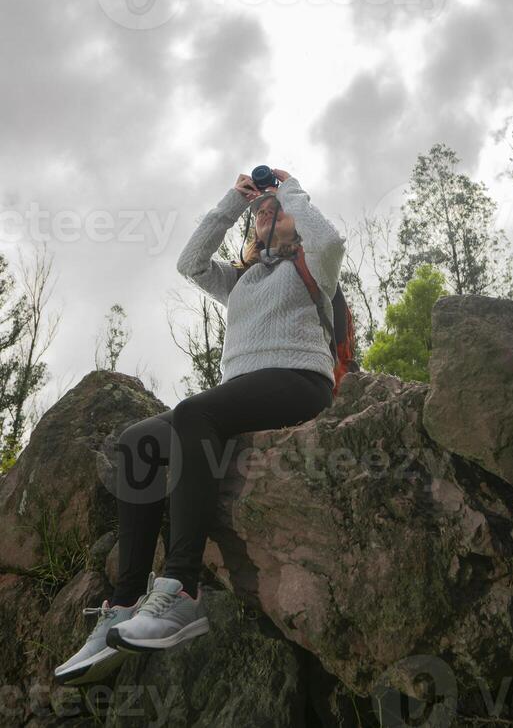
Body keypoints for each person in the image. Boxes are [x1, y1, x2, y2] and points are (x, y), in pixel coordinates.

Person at [55, 168, 345, 685]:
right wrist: (236, 200)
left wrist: (289, 188)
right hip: (241, 397)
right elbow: (189, 261)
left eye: (273, 211)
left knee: (194, 411)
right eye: (260, 212)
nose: (265, 212)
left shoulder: (313, 266)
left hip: (299, 381)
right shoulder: (242, 281)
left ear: (295, 224)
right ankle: (123, 607)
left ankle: (181, 591)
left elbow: (332, 238)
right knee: (136, 443)